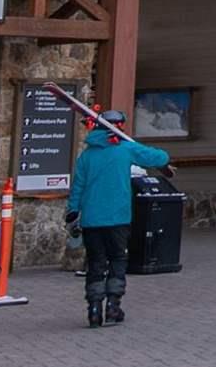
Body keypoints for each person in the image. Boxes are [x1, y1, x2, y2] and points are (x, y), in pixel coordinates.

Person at [64, 113, 168, 327]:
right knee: (118, 259)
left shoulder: (86, 156)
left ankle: (94, 308)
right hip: (118, 217)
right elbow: (159, 158)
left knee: (96, 263)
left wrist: (73, 210)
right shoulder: (126, 150)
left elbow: (78, 187)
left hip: (92, 219)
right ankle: (113, 305)